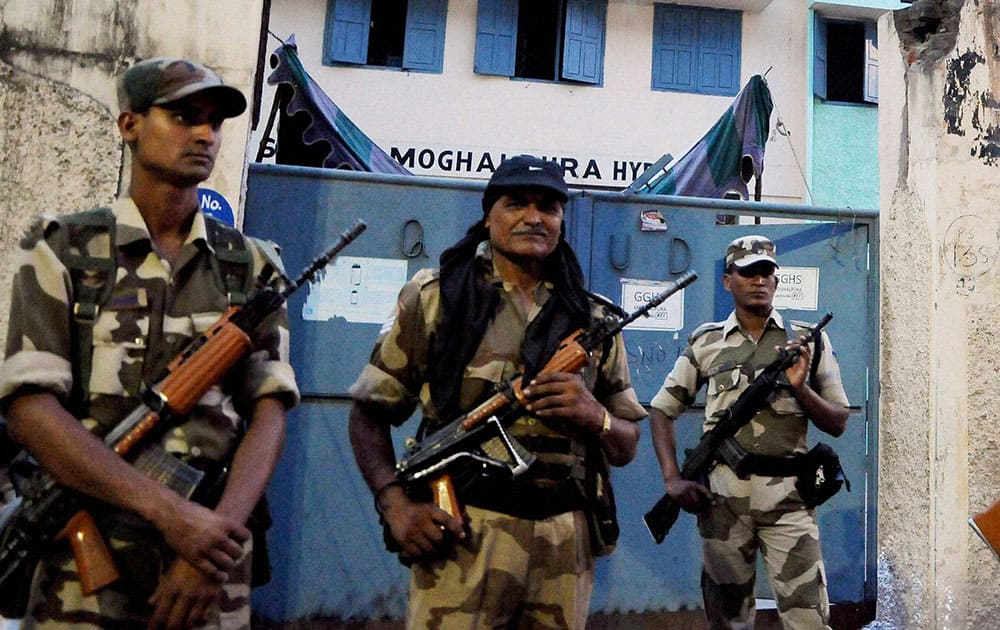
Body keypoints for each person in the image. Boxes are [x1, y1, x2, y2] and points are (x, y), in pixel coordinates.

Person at [0, 57, 299, 629]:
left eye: (214, 121)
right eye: (185, 115)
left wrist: (209, 543)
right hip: (84, 560)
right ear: (129, 124)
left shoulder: (250, 265)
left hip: (209, 566)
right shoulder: (65, 251)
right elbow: (30, 412)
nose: (206, 134)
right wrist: (170, 515)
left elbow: (270, 414)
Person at [348, 154, 647, 629]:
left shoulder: (591, 319)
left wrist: (596, 418)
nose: (533, 217)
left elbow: (627, 442)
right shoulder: (436, 297)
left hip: (564, 543)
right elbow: (369, 412)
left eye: (548, 207)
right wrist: (395, 506)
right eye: (517, 204)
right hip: (464, 533)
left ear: (562, 220)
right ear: (489, 215)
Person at [648, 235, 850, 630]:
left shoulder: (808, 340)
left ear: (776, 281)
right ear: (728, 281)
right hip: (721, 501)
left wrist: (800, 387)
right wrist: (672, 477)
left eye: (765, 273)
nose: (758, 280)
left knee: (809, 619)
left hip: (790, 499)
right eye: (747, 272)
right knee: (728, 621)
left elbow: (838, 420)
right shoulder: (706, 343)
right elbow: (661, 409)